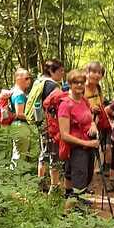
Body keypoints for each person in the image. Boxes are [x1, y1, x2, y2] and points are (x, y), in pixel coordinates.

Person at [58, 69, 99, 204]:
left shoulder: (83, 100)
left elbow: (90, 119)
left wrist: (93, 125)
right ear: (70, 84)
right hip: (76, 150)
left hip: (88, 148)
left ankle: (78, 207)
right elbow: (64, 135)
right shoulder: (65, 105)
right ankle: (78, 210)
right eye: (76, 82)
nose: (80, 85)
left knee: (86, 179)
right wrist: (87, 143)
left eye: (82, 82)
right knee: (79, 183)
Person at [35, 59, 64, 193]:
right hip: (51, 125)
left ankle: (41, 184)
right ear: (52, 71)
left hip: (41, 123)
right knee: (54, 154)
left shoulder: (39, 82)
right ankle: (54, 187)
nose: (62, 73)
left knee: (43, 153)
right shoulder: (52, 86)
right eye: (60, 71)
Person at [9, 68, 32, 168]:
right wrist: (32, 117)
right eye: (26, 78)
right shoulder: (19, 94)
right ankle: (15, 176)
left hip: (16, 126)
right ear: (18, 79)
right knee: (19, 156)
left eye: (29, 78)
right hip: (20, 126)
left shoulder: (13, 91)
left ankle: (14, 174)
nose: (29, 81)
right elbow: (19, 113)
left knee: (17, 154)